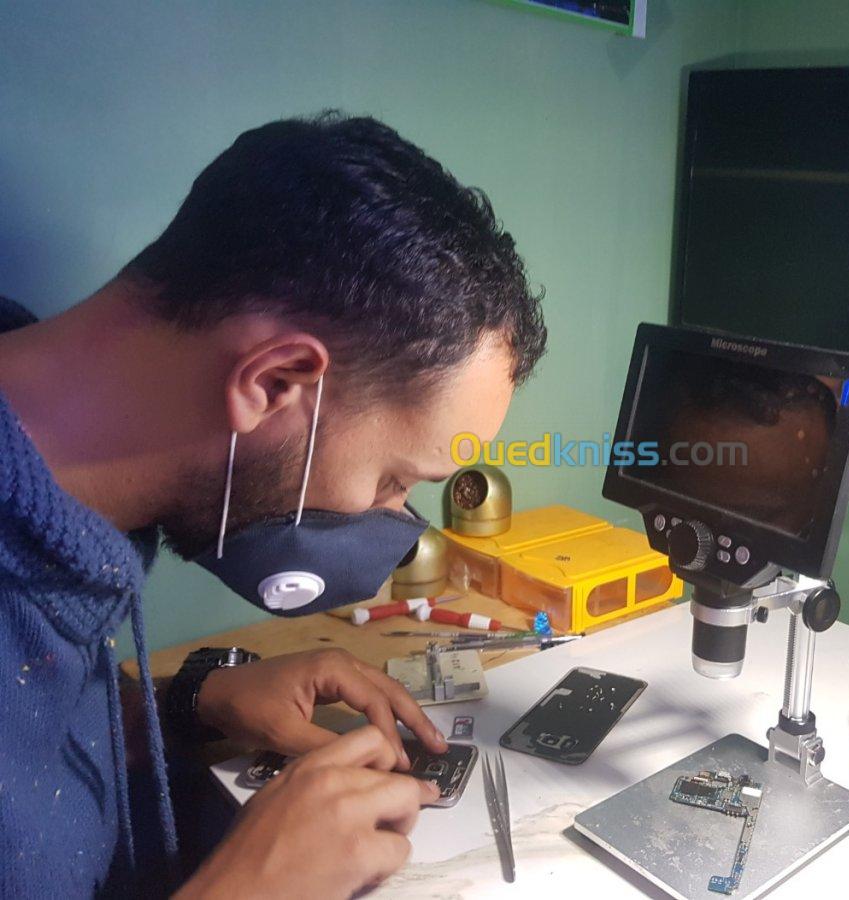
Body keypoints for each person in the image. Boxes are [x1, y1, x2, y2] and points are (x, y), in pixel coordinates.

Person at [0, 112, 547, 898]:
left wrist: (193, 701)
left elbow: (30, 739)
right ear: (273, 383)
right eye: (395, 479)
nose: (393, 517)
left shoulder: (58, 520)